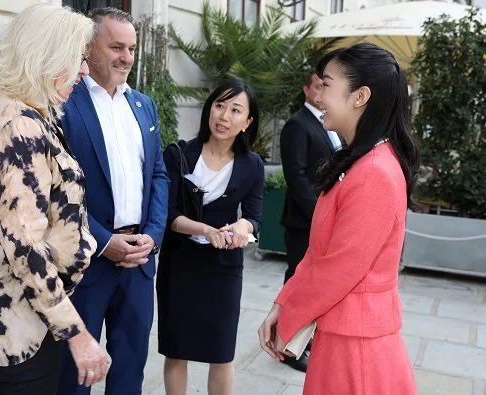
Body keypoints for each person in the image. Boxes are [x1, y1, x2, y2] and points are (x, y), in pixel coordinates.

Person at [258, 42, 420, 394]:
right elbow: (320, 255)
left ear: (360, 96)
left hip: (357, 347)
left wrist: (287, 316)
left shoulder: (375, 171)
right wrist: (283, 302)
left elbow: (339, 268)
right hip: (345, 334)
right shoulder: (362, 160)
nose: (319, 95)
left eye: (327, 84)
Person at [0, 4, 111, 394]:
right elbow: (25, 246)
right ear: (47, 55)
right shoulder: (18, 125)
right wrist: (77, 334)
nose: (84, 70)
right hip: (27, 326)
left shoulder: (22, 114)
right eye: (79, 57)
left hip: (32, 318)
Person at [56, 7, 169, 395]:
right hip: (88, 263)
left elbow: (158, 174)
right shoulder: (65, 105)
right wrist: (105, 243)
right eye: (117, 47)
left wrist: (152, 235)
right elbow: (58, 192)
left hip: (139, 261)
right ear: (88, 48)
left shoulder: (144, 105)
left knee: (130, 370)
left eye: (132, 48)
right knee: (74, 375)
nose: (127, 57)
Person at [157, 80, 264, 395]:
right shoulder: (179, 154)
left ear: (247, 122)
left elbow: (255, 217)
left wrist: (243, 227)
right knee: (177, 350)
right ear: (209, 109)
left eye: (235, 110)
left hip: (223, 269)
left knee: (221, 354)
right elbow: (169, 215)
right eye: (219, 105)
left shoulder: (252, 165)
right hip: (180, 265)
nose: (224, 116)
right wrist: (204, 230)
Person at [278, 71, 343, 372]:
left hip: (326, 217)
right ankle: (288, 345)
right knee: (297, 281)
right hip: (304, 220)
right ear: (306, 89)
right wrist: (320, 216)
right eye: (319, 85)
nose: (322, 91)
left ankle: (307, 339)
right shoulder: (296, 124)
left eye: (326, 86)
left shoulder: (331, 123)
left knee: (316, 282)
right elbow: (297, 177)